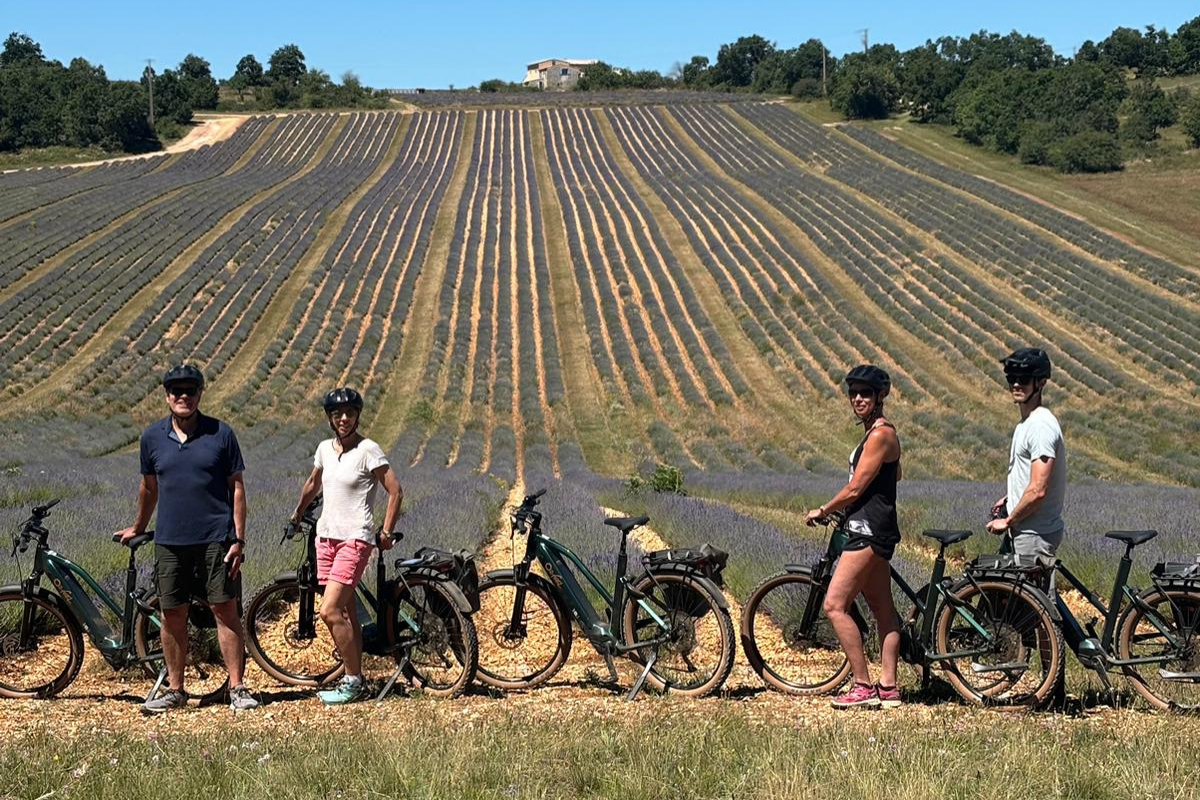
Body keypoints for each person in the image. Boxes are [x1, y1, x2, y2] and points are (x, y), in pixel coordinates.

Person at [117, 364, 257, 712]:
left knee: (225, 610)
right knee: (171, 613)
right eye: (176, 390)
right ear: (166, 396)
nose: (183, 396)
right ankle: (176, 690)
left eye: (190, 390)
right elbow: (148, 488)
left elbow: (236, 489)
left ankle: (237, 688)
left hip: (216, 538)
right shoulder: (151, 438)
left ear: (200, 394)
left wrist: (239, 539)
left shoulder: (221, 433)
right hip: (170, 540)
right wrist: (138, 526)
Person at [289, 387, 403, 704]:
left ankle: (352, 681)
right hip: (326, 536)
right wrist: (297, 515)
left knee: (329, 610)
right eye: (337, 414)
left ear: (357, 416)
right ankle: (357, 677)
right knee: (348, 612)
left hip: (356, 537)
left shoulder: (369, 450)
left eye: (349, 413)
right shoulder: (325, 448)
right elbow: (313, 483)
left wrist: (387, 530)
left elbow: (395, 490)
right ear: (329, 418)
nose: (343, 418)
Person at [805, 365, 903, 710]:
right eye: (854, 393)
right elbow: (897, 473)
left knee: (834, 605)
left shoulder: (879, 434)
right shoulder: (879, 433)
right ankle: (888, 688)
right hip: (876, 528)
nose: (858, 399)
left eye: (866, 393)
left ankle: (862, 685)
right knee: (882, 609)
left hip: (868, 531)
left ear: (880, 397)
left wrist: (824, 509)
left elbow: (857, 486)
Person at [986, 348, 1067, 566]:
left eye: (1023, 379)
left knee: (1035, 599)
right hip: (1025, 530)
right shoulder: (1026, 423)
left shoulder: (1040, 426)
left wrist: (1008, 520)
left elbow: (1038, 490)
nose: (1015, 385)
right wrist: (1010, 499)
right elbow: (1030, 481)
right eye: (1011, 378)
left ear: (1040, 383)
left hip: (1034, 534)